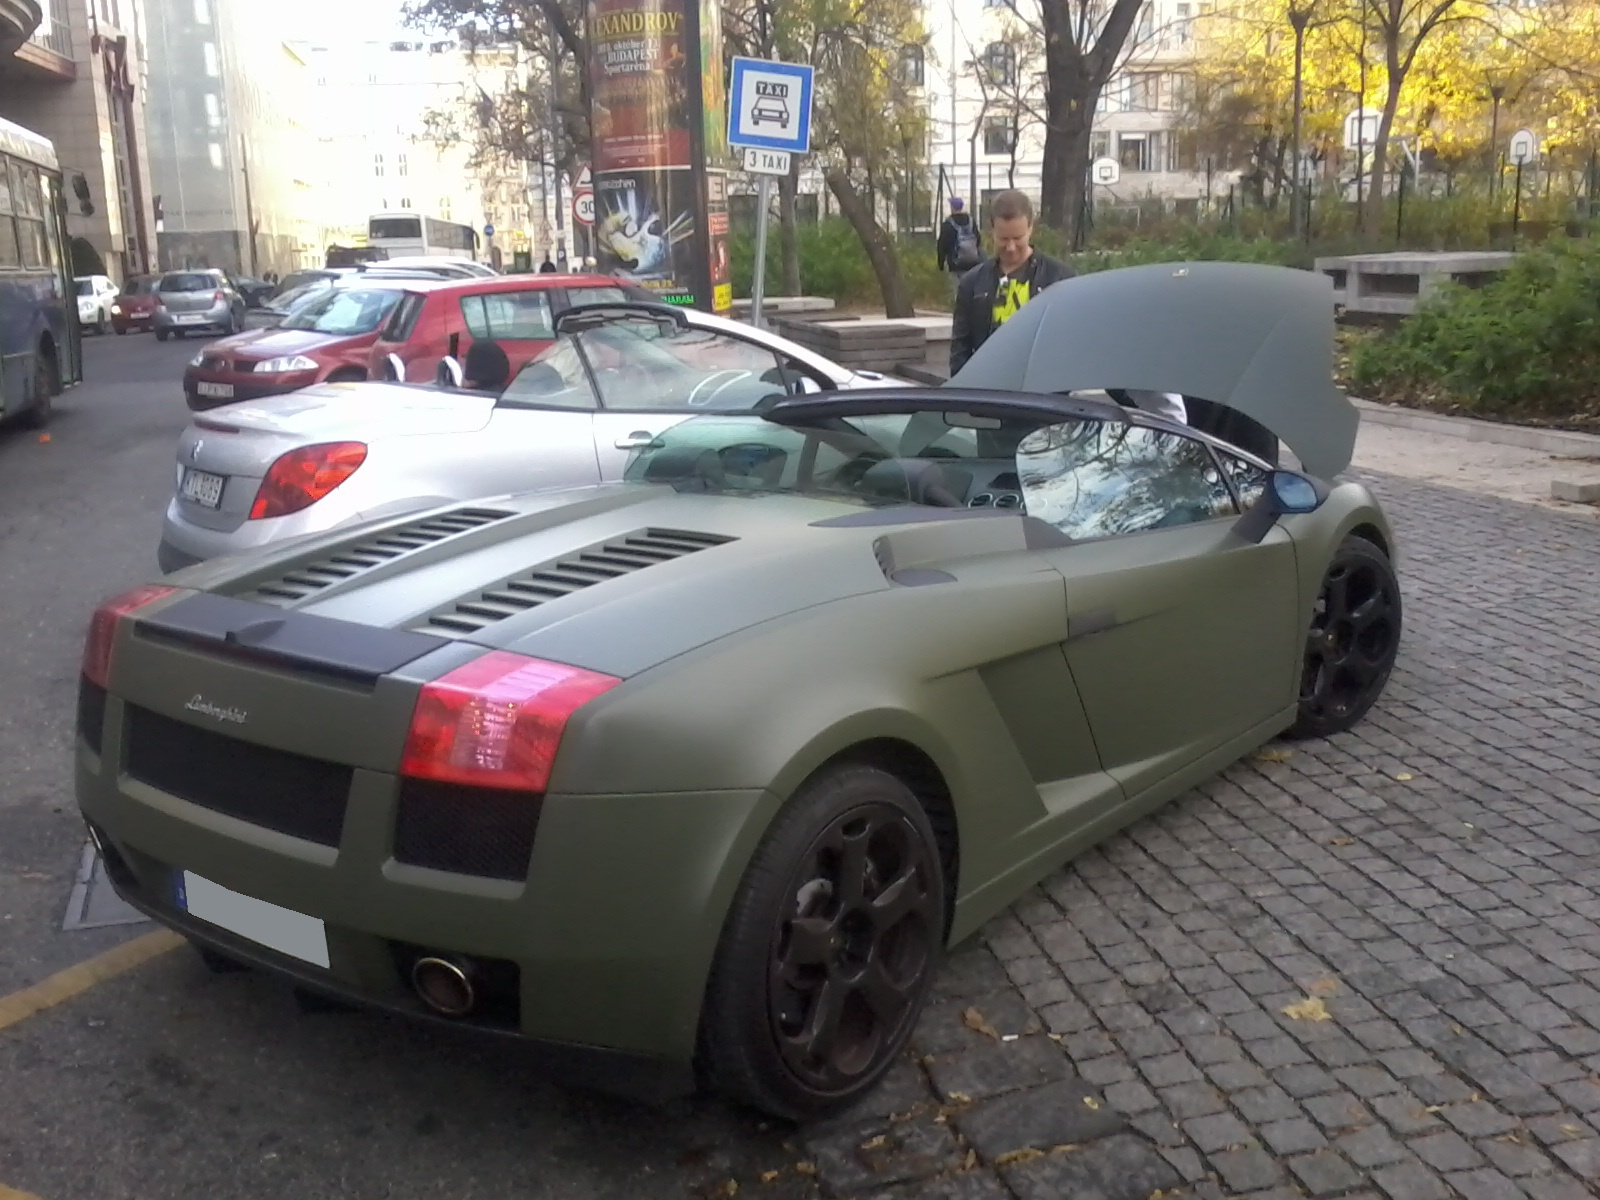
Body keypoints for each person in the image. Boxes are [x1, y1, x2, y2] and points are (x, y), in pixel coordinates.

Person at [949, 190, 1073, 376]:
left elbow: (1070, 342)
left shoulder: (1059, 277)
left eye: (1018, 238)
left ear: (1031, 228)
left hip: (1041, 391)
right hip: (988, 389)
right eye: (1003, 239)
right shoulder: (972, 283)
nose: (1011, 247)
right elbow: (960, 348)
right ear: (992, 231)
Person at [936, 197, 982, 292]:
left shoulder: (948, 224)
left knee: (959, 290)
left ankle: (961, 306)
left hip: (956, 264)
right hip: (973, 263)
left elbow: (942, 245)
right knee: (971, 289)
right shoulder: (971, 221)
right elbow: (978, 239)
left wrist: (941, 263)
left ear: (952, 207)